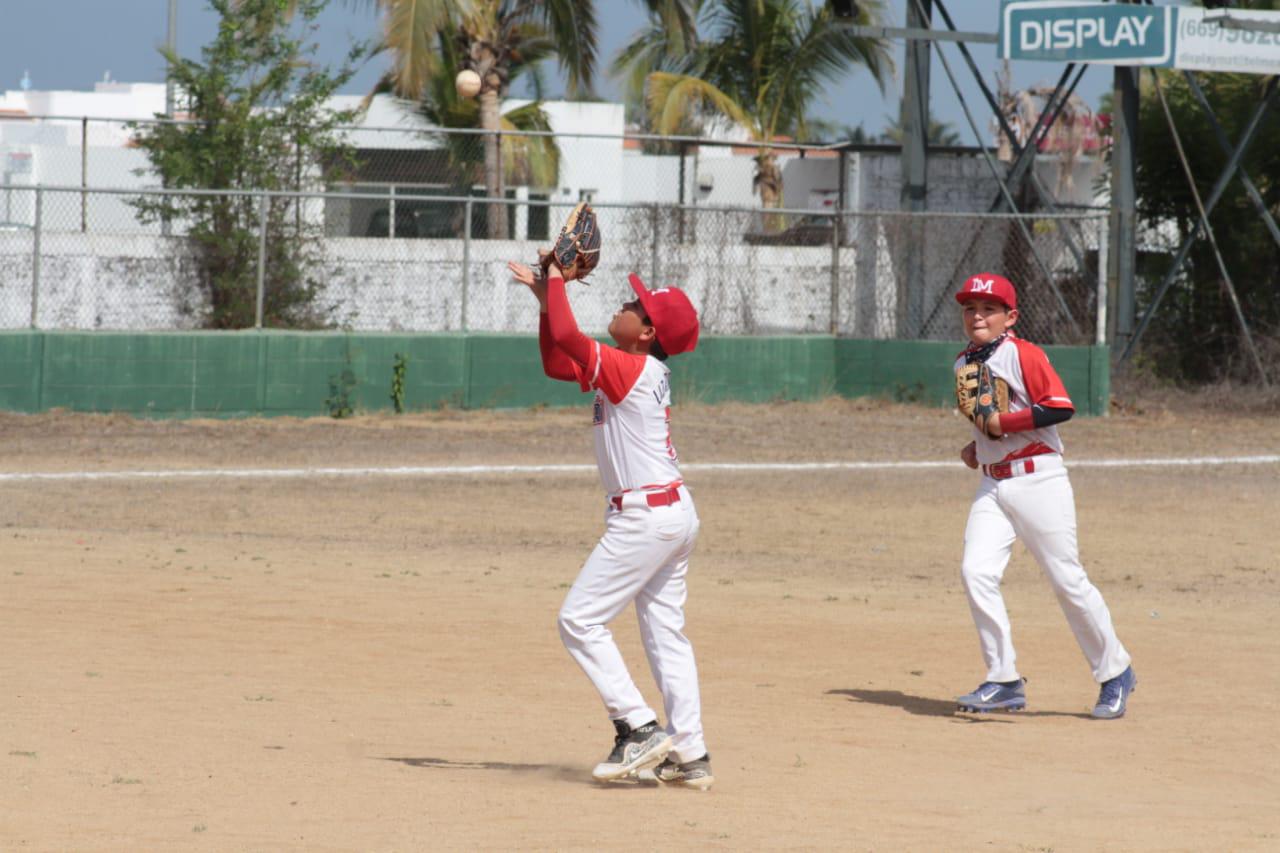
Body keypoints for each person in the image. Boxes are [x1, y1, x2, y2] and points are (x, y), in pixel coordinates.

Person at [507, 256, 713, 788]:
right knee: (666, 635)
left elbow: (569, 336)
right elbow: (557, 361)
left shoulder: (630, 369)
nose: (623, 304)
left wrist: (557, 279)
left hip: (646, 518)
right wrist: (545, 299)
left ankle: (638, 727)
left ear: (647, 333)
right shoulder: (632, 367)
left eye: (635, 305)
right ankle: (689, 752)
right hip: (670, 513)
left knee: (579, 620)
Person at [951, 272, 1137, 719]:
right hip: (993, 483)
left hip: (1039, 480)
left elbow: (1058, 406)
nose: (978, 316)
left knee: (1066, 579)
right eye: (971, 309)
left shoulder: (1022, 353)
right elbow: (988, 419)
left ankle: (1116, 672)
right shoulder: (962, 362)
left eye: (989, 309)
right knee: (976, 571)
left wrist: (1003, 425)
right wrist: (978, 446)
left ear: (1010, 316)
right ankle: (1003, 680)